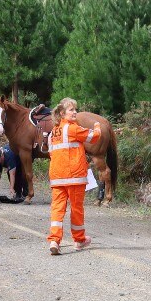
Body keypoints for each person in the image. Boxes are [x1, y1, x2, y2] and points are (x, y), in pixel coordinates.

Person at [47, 97, 101, 255]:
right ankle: (79, 240)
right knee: (76, 209)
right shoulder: (72, 128)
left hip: (57, 177)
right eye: (71, 110)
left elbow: (52, 153)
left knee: (57, 210)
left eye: (75, 109)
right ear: (62, 113)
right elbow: (94, 137)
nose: (75, 112)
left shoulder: (53, 133)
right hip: (74, 176)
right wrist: (97, 125)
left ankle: (54, 241)